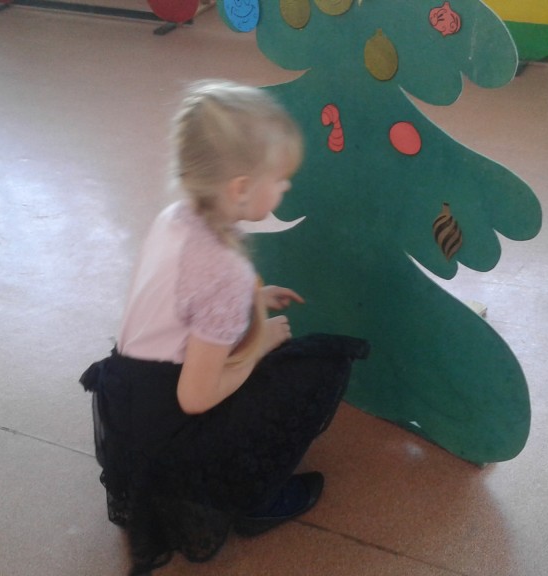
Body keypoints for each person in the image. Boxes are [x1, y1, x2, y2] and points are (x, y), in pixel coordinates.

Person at [79, 80, 368, 575]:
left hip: (128, 405)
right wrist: (259, 344)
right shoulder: (225, 271)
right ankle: (257, 499)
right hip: (172, 427)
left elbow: (184, 300)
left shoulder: (176, 217)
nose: (286, 187)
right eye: (280, 179)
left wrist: (250, 300)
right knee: (323, 362)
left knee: (266, 349)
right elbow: (196, 398)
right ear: (239, 188)